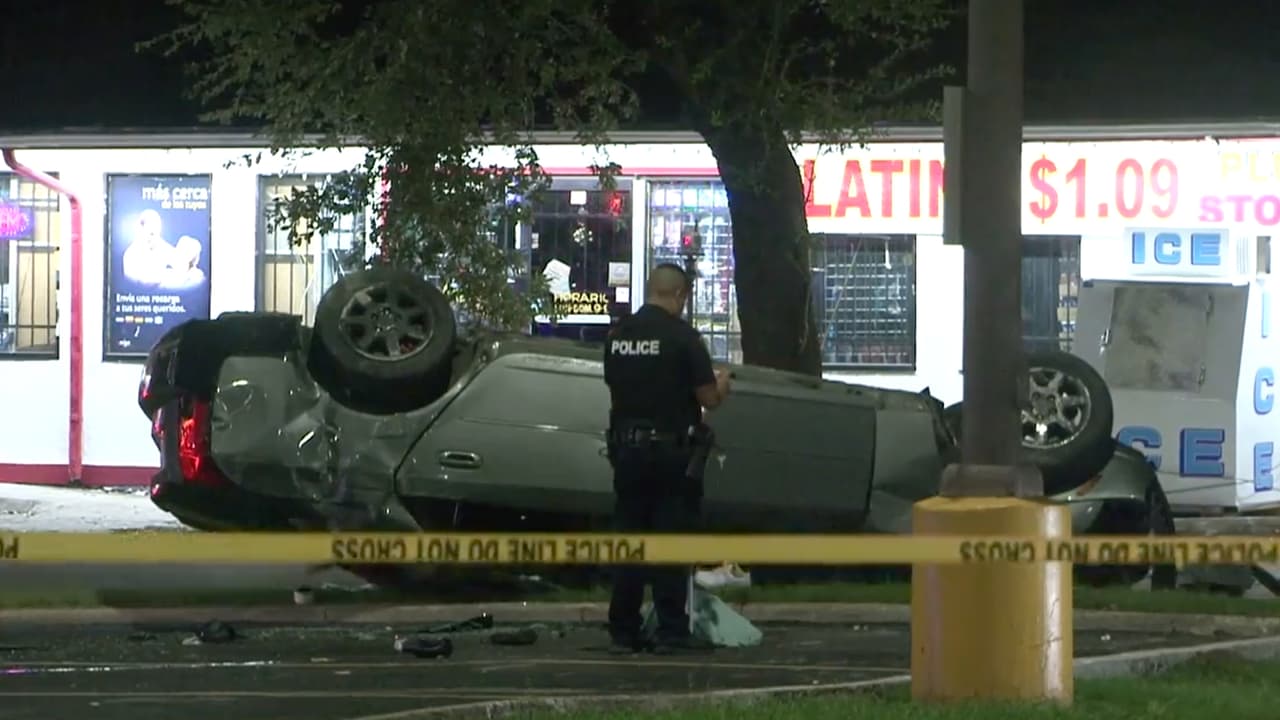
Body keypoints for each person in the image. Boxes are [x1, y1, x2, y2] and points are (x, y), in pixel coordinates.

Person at [602, 262, 731, 655]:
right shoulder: (682, 338)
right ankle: (672, 631)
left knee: (631, 540)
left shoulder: (618, 336)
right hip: (671, 455)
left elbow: (614, 385)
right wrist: (723, 384)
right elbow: (707, 398)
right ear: (679, 295)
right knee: (671, 540)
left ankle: (624, 629)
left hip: (626, 453)